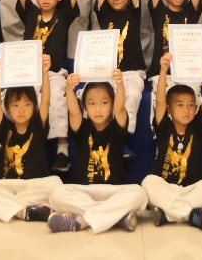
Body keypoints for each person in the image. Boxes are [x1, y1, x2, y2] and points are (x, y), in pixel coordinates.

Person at [45, 70, 148, 233]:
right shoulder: (83, 127)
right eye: (92, 104)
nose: (98, 109)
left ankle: (81, 221)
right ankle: (115, 216)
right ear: (85, 107)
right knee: (56, 195)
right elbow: (74, 112)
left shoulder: (117, 127)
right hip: (85, 190)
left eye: (104, 103)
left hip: (113, 191)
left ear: (112, 104)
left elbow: (120, 108)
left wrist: (120, 84)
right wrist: (70, 89)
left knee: (139, 194)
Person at [0, 54, 64, 223]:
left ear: (34, 107)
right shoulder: (5, 127)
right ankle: (24, 211)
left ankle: (3, 207)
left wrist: (45, 72)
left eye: (27, 105)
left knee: (56, 183)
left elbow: (45, 101)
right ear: (8, 108)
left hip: (33, 185)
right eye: (15, 105)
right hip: (8, 185)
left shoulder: (37, 126)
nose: (21, 110)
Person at [15, 0, 80, 171]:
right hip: (28, 72)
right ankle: (6, 143)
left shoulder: (63, 15)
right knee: (18, 96)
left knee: (58, 101)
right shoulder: (31, 13)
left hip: (54, 73)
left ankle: (62, 149)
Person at [141, 52, 202, 229]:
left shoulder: (197, 128)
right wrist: (163, 70)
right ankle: (190, 214)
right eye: (180, 105)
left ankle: (168, 214)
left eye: (191, 105)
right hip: (166, 188)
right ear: (169, 109)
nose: (187, 110)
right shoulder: (164, 127)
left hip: (192, 191)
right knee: (148, 182)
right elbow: (160, 101)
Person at [89, 0, 146, 134]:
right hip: (107, 71)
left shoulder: (134, 10)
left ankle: (124, 135)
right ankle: (102, 134)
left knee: (132, 95)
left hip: (132, 72)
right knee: (97, 96)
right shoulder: (104, 11)